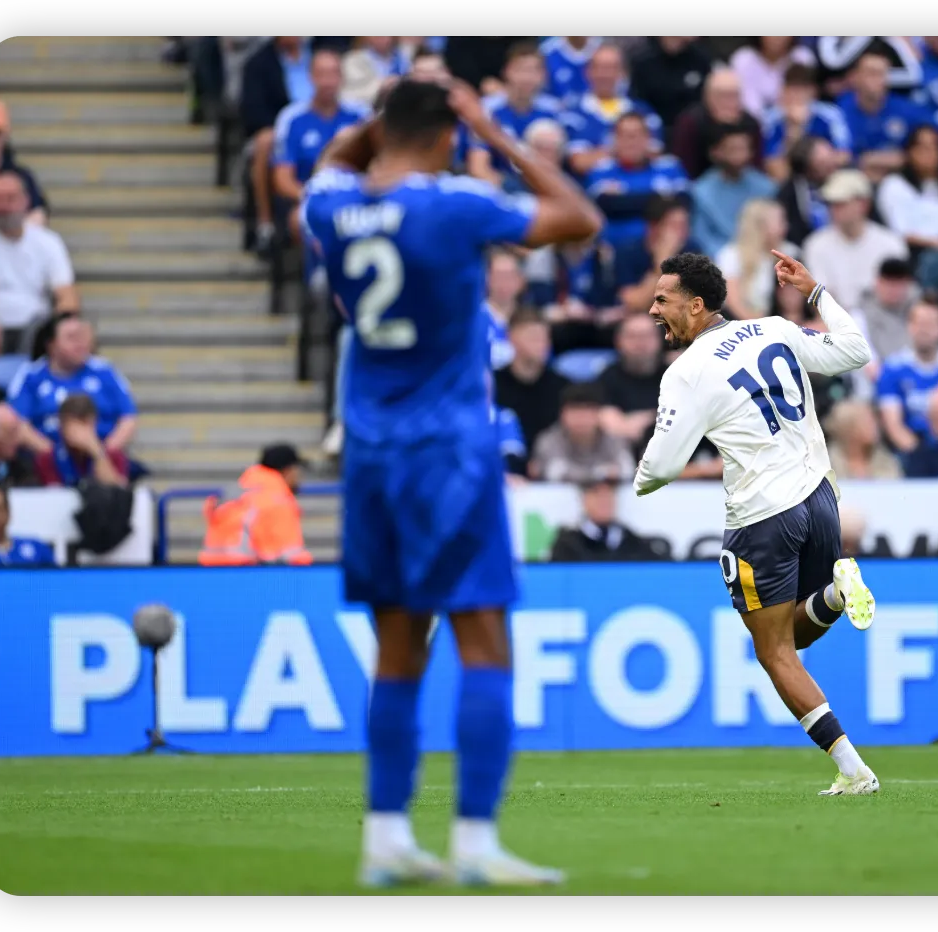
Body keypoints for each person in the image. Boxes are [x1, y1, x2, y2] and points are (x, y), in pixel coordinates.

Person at [300, 78, 600, 887]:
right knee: (483, 640)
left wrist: (392, 122)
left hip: (370, 454)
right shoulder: (456, 204)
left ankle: (385, 836)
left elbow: (334, 160)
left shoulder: (329, 205)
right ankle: (474, 842)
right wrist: (491, 128)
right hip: (450, 454)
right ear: (445, 135)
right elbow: (578, 218)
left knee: (398, 647)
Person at [633, 249, 881, 798]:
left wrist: (636, 482)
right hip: (820, 498)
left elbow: (665, 464)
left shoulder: (687, 373)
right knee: (790, 639)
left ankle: (854, 770)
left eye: (662, 300)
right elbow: (855, 351)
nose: (652, 310)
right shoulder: (773, 328)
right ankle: (838, 596)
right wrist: (815, 292)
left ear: (696, 306)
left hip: (763, 517)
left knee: (772, 653)